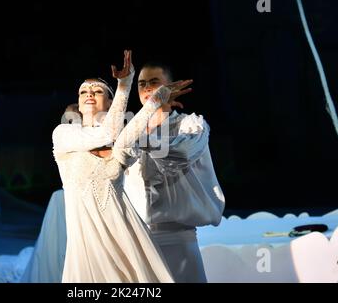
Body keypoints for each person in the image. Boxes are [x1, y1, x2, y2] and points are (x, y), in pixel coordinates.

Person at [49, 50, 192, 282]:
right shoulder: (64, 134)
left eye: (97, 91)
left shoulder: (123, 137)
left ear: (110, 100)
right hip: (88, 243)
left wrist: (154, 100)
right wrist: (125, 85)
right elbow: (109, 133)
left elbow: (120, 136)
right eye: (83, 91)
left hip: (125, 235)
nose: (89, 94)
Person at [122, 62, 226, 282]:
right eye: (142, 84)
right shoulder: (128, 131)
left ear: (170, 86)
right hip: (137, 239)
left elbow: (180, 155)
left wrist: (140, 136)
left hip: (178, 238)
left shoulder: (191, 125)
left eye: (154, 82)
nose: (148, 88)